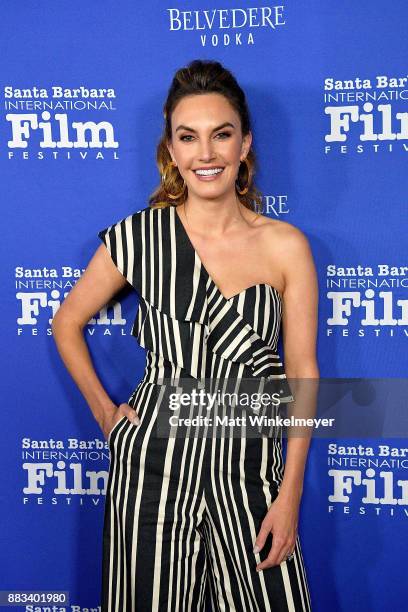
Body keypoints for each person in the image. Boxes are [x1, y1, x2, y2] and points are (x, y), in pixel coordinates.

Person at [52, 59, 318, 611]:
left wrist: (289, 493)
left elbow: (303, 373)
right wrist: (105, 412)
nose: (206, 154)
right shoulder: (140, 237)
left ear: (244, 144)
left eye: (221, 135)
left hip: (250, 471)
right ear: (170, 151)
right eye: (188, 137)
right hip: (153, 470)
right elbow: (66, 321)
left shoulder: (286, 246)